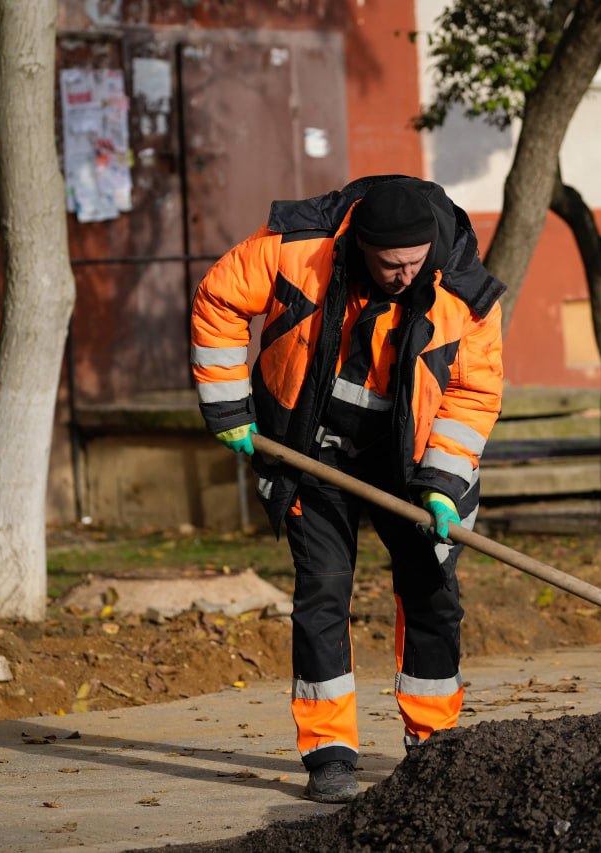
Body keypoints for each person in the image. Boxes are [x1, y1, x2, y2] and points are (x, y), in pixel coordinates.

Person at [189, 175, 505, 803]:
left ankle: (434, 745)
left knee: (432, 592)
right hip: (312, 449)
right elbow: (219, 298)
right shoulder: (295, 249)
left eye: (415, 264)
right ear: (360, 246)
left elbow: (473, 394)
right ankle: (329, 757)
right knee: (323, 594)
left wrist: (442, 485)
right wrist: (230, 410)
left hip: (412, 462)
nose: (403, 276)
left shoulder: (465, 292)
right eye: (390, 265)